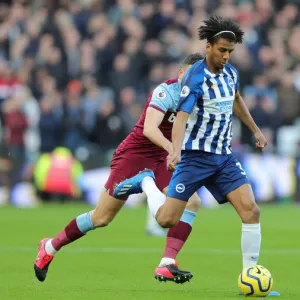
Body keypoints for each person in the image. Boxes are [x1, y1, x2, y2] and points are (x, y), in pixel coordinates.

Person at [113, 16, 280, 296]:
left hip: (223, 157)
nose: (226, 56)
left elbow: (236, 99)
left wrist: (255, 130)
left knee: (251, 211)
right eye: (222, 50)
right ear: (209, 47)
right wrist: (175, 150)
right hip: (194, 158)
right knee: (166, 219)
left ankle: (250, 278)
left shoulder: (231, 74)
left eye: (230, 51)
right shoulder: (196, 76)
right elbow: (181, 117)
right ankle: (145, 182)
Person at [34, 53, 203, 284]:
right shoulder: (166, 91)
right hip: (135, 154)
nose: (197, 79)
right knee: (102, 217)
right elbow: (150, 129)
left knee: (192, 200)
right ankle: (50, 246)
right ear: (181, 73)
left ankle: (167, 263)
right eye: (193, 74)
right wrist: (172, 149)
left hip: (163, 157)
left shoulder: (200, 97)